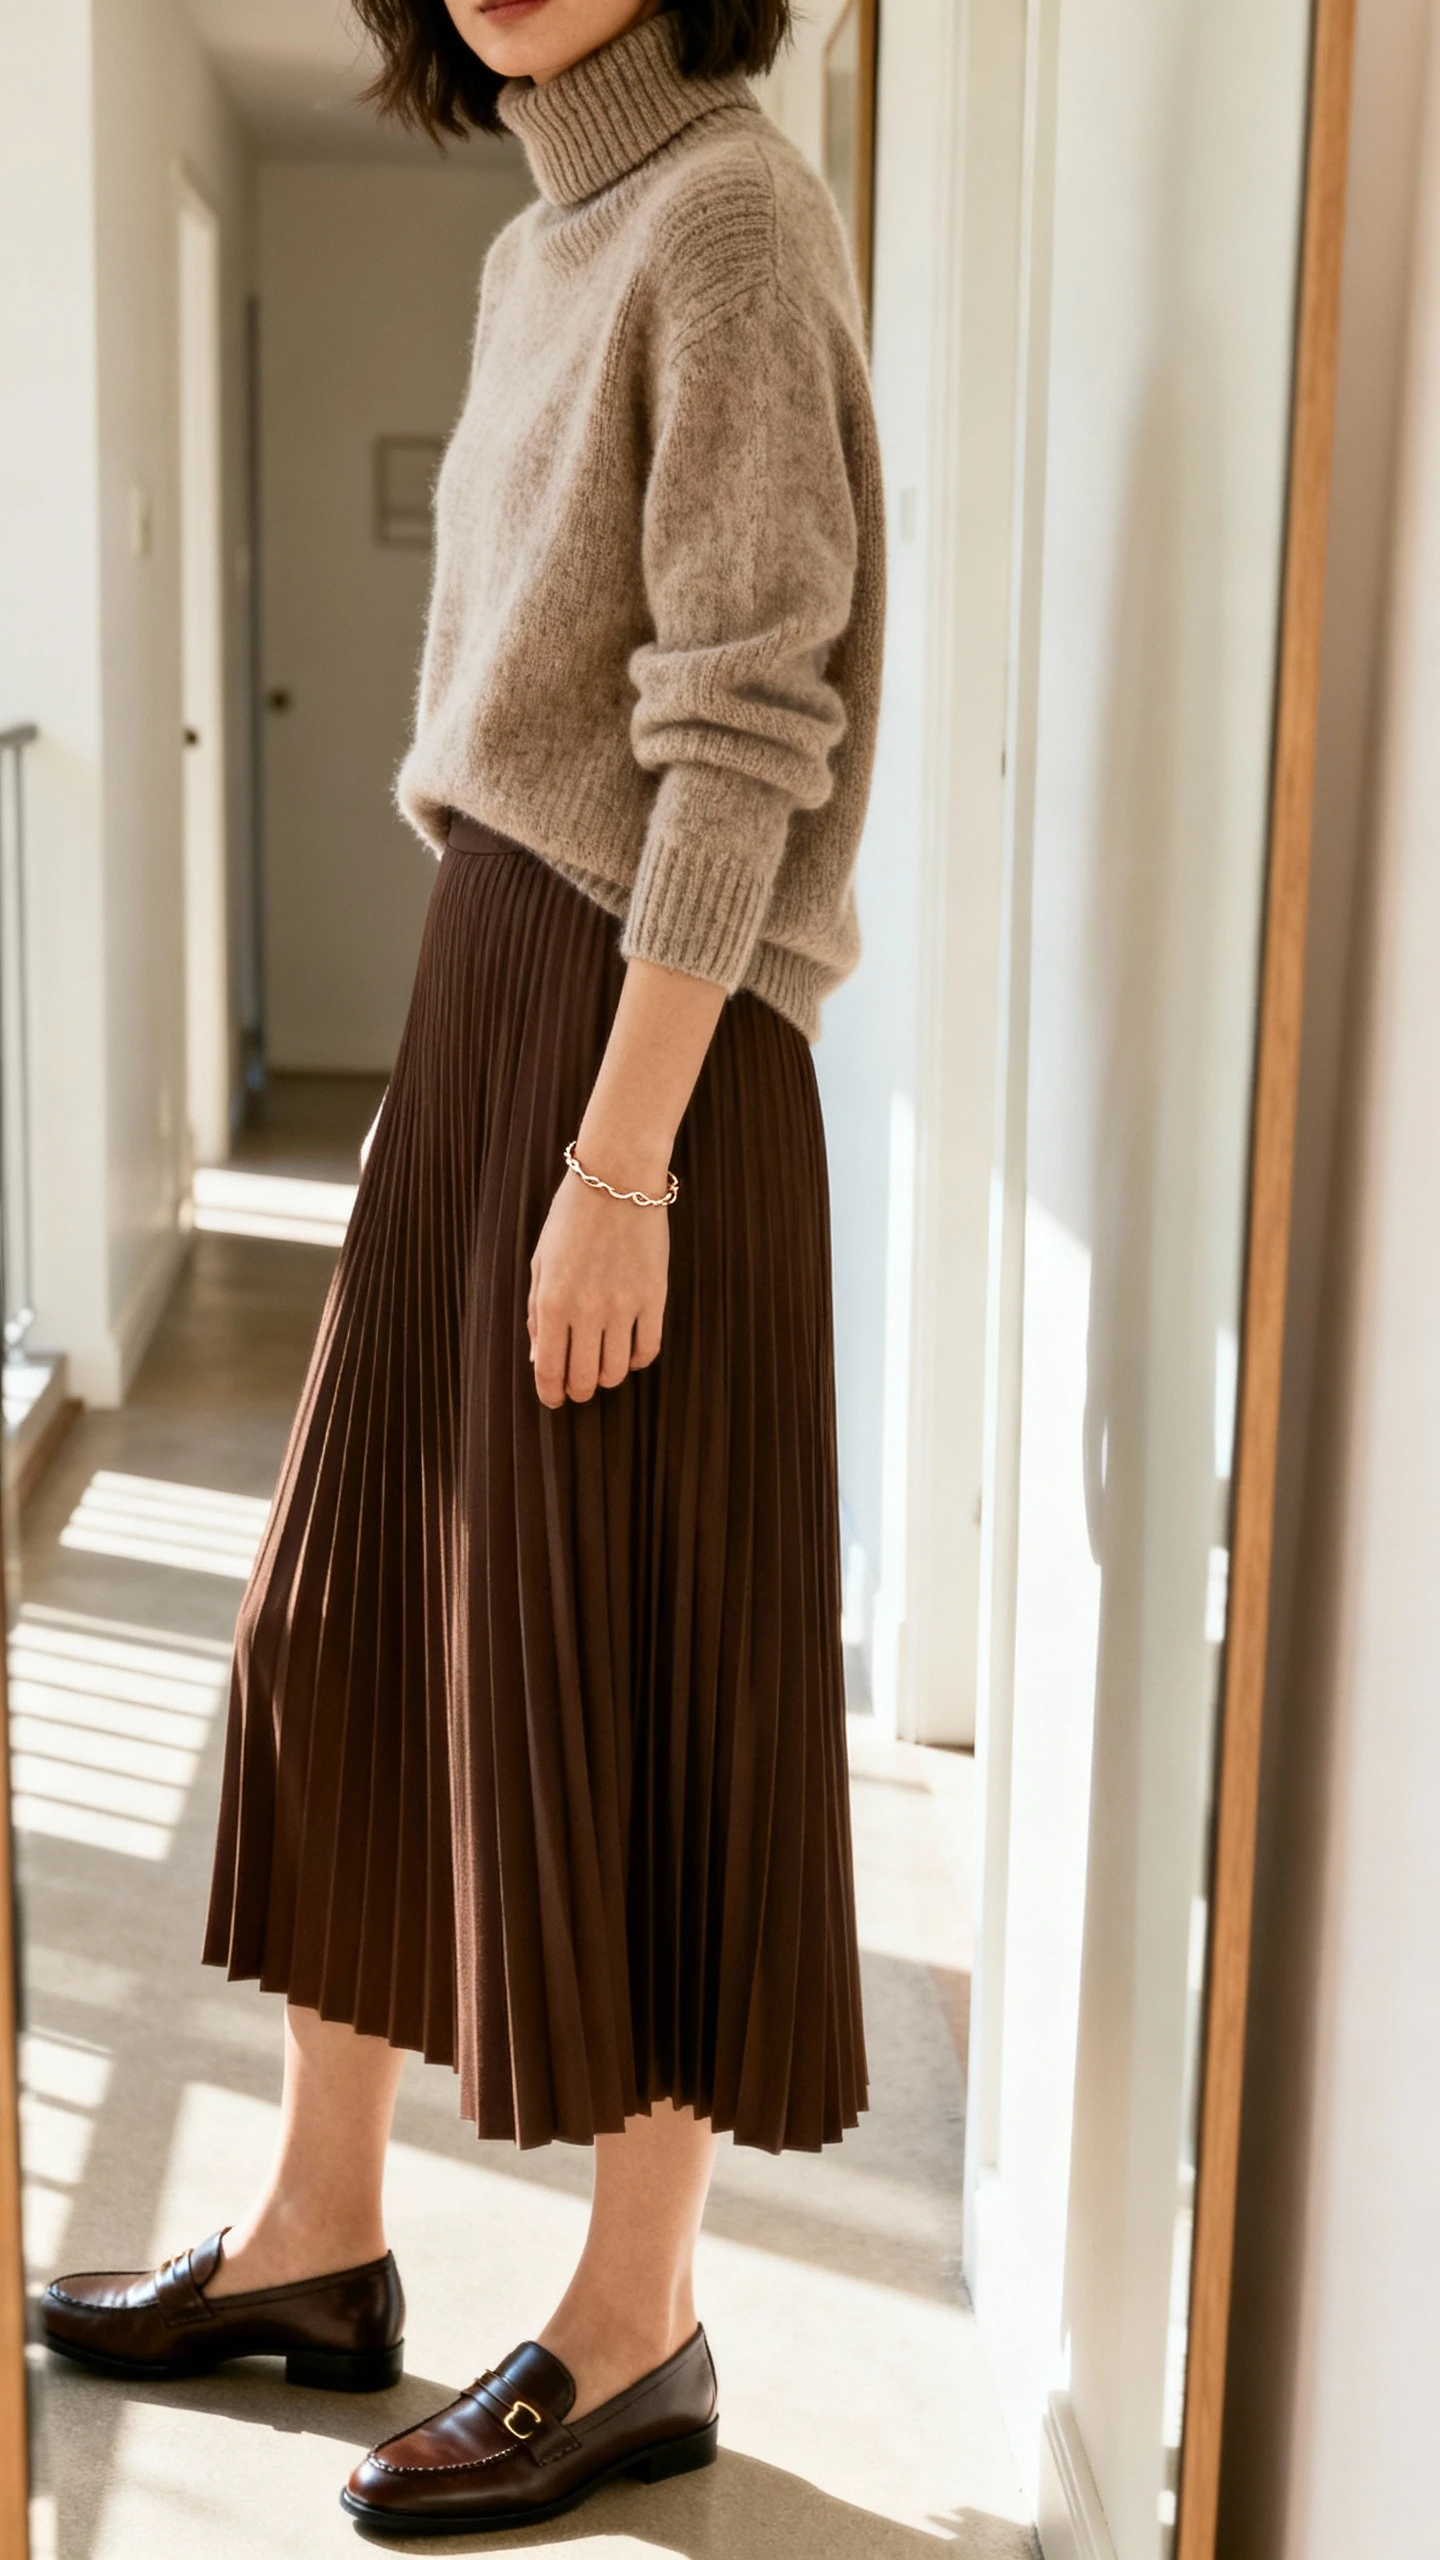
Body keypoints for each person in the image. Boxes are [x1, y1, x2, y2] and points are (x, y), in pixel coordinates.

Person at [42, 0, 884, 2530]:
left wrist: (618, 1162)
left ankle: (637, 2325)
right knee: (345, 1627)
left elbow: (745, 729)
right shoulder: (555, 237)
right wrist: (472, 1085)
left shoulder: (732, 208)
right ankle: (320, 2233)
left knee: (613, 1667)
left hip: (647, 1034)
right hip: (496, 995)